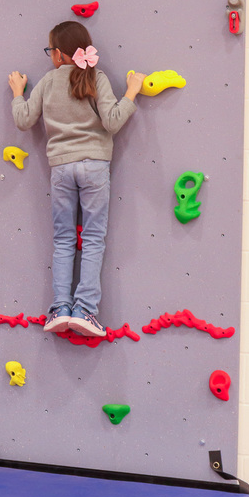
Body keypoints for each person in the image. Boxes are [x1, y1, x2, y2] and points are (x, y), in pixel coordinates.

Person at [9, 21, 145, 338]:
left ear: (59, 54)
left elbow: (23, 119)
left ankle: (60, 308)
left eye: (50, 50)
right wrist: (132, 92)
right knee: (93, 239)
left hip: (61, 167)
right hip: (94, 165)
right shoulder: (96, 78)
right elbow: (112, 122)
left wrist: (17, 93)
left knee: (63, 239)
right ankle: (84, 310)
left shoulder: (48, 81)